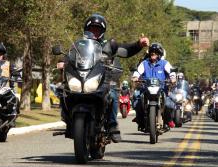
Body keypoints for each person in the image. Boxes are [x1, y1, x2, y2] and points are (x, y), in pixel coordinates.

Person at [57, 13, 149, 143]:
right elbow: (70, 54)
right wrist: (62, 61)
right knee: (63, 91)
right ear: (86, 30)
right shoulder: (80, 44)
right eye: (92, 29)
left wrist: (138, 44)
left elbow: (126, 50)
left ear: (102, 31)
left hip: (102, 78)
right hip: (83, 77)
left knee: (111, 93)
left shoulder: (108, 44)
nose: (94, 32)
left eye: (97, 29)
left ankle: (112, 125)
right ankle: (67, 119)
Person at [131, 42, 172, 129]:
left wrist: (173, 78)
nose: (153, 54)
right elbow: (138, 72)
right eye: (152, 52)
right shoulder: (144, 63)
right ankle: (140, 121)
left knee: (168, 104)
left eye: (156, 52)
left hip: (161, 90)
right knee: (137, 104)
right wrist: (135, 76)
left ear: (159, 54)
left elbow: (171, 72)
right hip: (146, 89)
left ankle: (166, 122)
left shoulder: (164, 63)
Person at [0, 42, 19, 127]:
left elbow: (15, 73)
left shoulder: (9, 64)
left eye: (0, 53)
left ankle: (12, 117)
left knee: (15, 98)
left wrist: (16, 76)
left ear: (3, 54)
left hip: (5, 88)